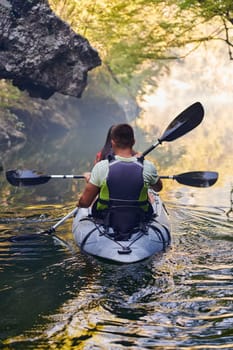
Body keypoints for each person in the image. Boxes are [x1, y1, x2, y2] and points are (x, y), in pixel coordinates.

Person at [77, 124, 162, 233]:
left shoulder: (101, 167)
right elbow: (158, 188)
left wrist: (79, 204)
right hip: (139, 218)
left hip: (106, 219)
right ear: (133, 141)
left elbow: (85, 203)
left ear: (112, 142)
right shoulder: (148, 166)